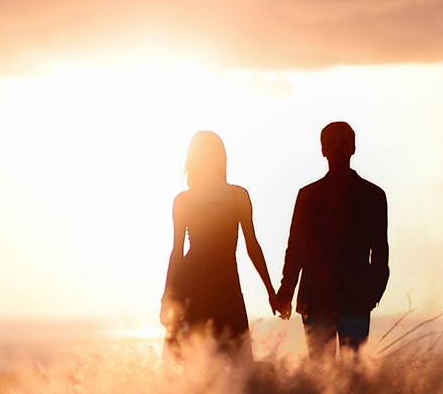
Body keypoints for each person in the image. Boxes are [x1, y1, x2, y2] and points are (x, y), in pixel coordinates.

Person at [275, 121, 389, 361]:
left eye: (343, 142)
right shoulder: (308, 196)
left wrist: (373, 291)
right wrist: (286, 290)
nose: (337, 148)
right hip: (315, 299)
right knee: (320, 375)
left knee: (353, 376)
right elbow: (296, 247)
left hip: (355, 299)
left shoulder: (373, 196)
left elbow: (380, 250)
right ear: (323, 150)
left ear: (353, 148)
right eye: (331, 144)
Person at [161, 131, 278, 361]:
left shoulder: (238, 196)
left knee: (236, 363)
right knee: (196, 365)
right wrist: (168, 295)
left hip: (226, 287)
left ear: (218, 157)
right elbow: (177, 251)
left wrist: (270, 292)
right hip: (194, 288)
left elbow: (252, 246)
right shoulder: (183, 201)